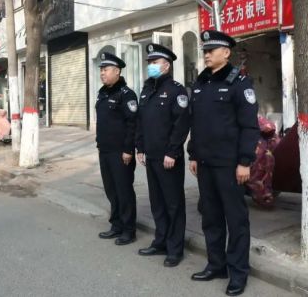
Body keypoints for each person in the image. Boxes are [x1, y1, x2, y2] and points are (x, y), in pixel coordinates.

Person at [188, 30, 260, 296]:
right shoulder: (200, 83)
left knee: (236, 220)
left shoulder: (240, 83)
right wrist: (193, 154)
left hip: (230, 167)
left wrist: (244, 162)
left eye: (211, 50)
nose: (206, 54)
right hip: (205, 164)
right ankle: (216, 264)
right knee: (211, 218)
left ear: (226, 53)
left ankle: (238, 272)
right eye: (205, 50)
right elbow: (197, 123)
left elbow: (249, 127)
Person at [135, 43, 190, 267]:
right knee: (157, 202)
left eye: (155, 63)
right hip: (151, 156)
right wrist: (140, 147)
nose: (151, 66)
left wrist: (173, 151)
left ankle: (175, 249)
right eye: (149, 63)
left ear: (166, 65)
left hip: (169, 158)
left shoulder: (176, 90)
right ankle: (161, 241)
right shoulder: (147, 89)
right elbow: (140, 121)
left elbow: (181, 124)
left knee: (173, 203)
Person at [95, 52, 138, 245]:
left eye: (106, 70)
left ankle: (129, 230)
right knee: (111, 190)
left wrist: (128, 149)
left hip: (121, 153)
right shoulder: (103, 93)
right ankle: (117, 225)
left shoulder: (126, 95)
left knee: (124, 190)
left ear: (117, 71)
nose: (102, 73)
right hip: (104, 150)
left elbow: (132, 124)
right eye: (101, 70)